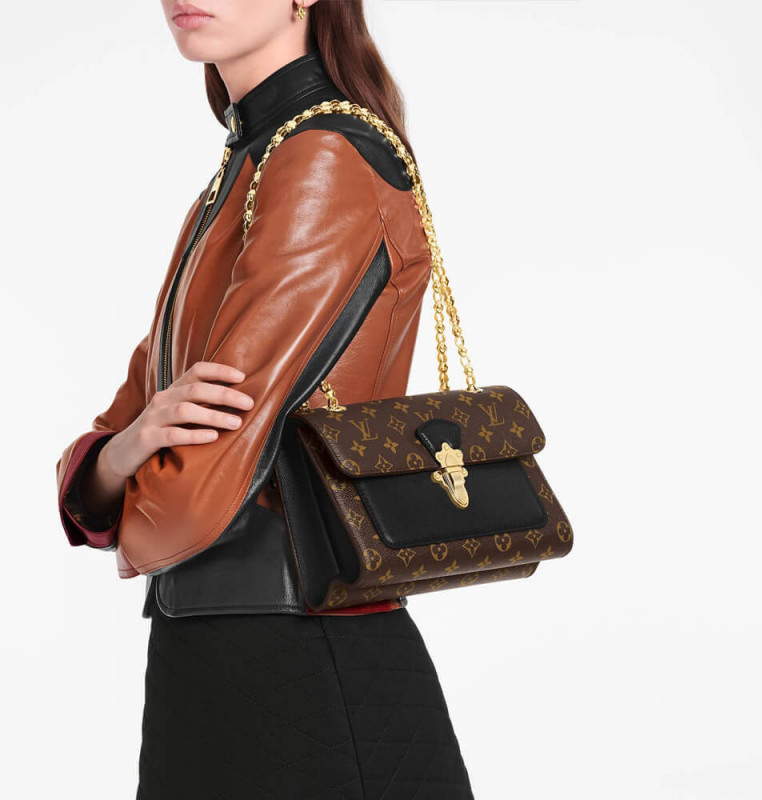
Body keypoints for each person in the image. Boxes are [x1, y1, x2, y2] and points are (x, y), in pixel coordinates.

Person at [54, 1, 475, 797]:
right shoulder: (248, 166)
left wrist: (115, 474)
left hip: (299, 660)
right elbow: (131, 421)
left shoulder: (320, 158)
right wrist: (123, 451)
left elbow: (192, 490)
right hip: (211, 654)